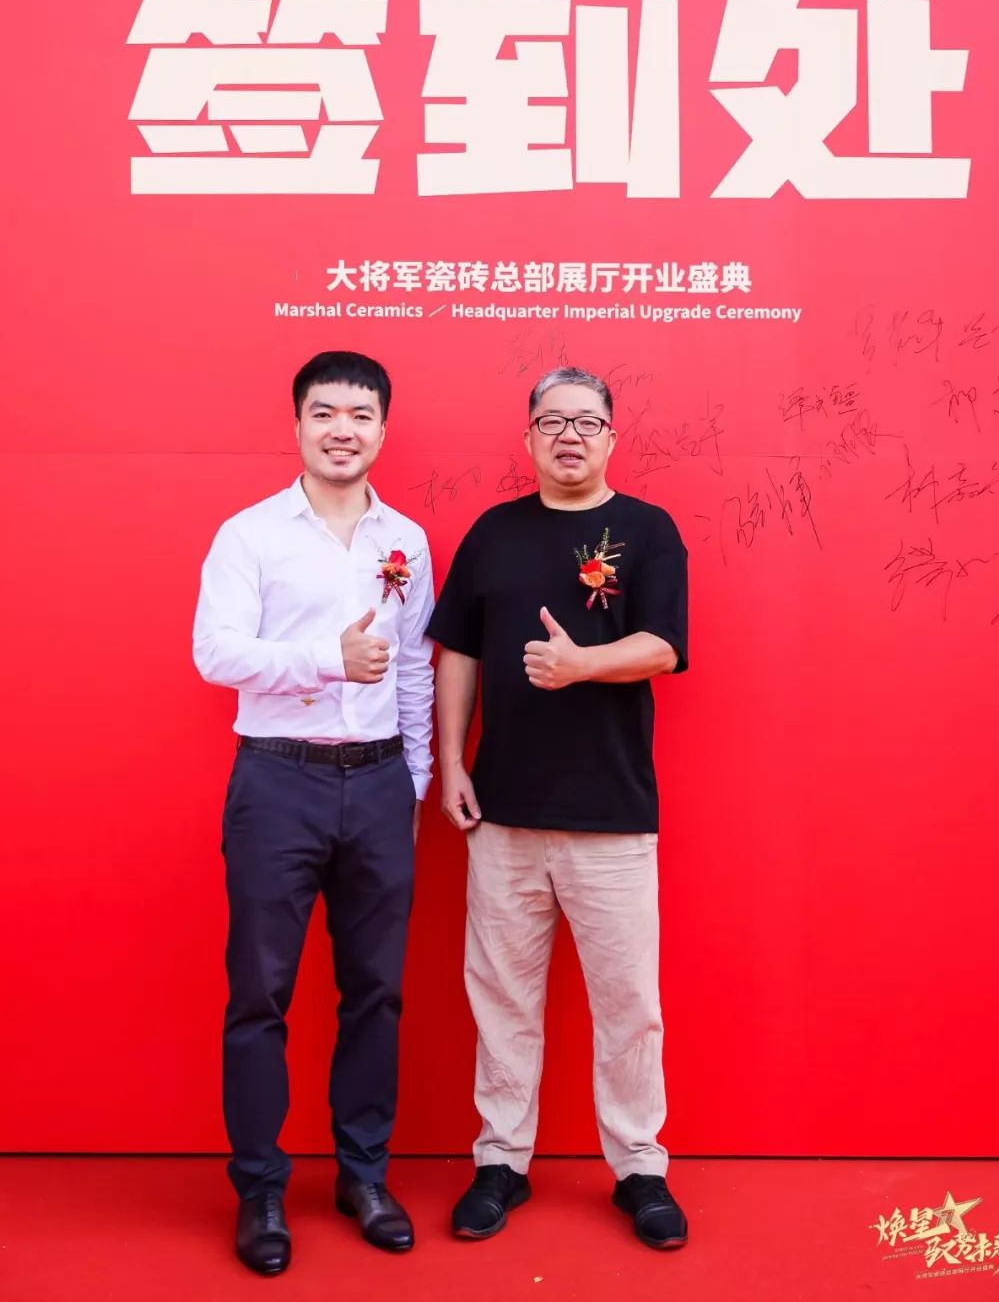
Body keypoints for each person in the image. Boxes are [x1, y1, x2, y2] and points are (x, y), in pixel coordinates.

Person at [428, 365, 689, 1252]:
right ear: (529, 437)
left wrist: (581, 665)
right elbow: (456, 650)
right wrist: (451, 761)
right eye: (552, 422)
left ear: (612, 436)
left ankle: (639, 1165)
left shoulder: (647, 530)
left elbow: (663, 646)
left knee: (629, 1004)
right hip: (502, 812)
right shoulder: (493, 533)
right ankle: (501, 1159)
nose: (569, 435)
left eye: (586, 421)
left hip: (612, 816)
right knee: (502, 996)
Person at [193, 350, 433, 1273]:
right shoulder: (250, 534)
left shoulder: (405, 539)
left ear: (383, 429)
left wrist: (413, 782)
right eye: (325, 412)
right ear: (296, 423)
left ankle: (363, 1174)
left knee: (376, 989)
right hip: (277, 781)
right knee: (260, 991)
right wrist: (326, 660)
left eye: (360, 414)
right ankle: (260, 1187)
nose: (343, 429)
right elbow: (215, 652)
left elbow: (413, 668)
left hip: (378, 783)